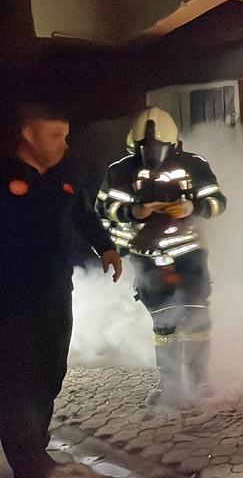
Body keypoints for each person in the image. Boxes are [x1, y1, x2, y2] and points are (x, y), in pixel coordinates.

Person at [0, 104, 122, 477]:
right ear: (28, 133)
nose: (64, 145)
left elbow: (83, 213)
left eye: (66, 136)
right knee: (16, 382)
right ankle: (31, 463)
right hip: (10, 302)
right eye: (56, 136)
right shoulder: (4, 177)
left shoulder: (63, 177)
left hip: (55, 295)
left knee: (49, 375)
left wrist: (106, 247)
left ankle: (34, 446)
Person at [98, 107, 226, 406]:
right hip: (145, 254)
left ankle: (199, 379)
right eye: (146, 148)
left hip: (188, 252)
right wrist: (134, 211)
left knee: (196, 314)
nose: (152, 153)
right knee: (163, 320)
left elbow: (218, 203)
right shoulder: (120, 171)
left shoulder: (194, 165)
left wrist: (192, 208)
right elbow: (104, 210)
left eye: (159, 147)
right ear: (136, 145)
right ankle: (169, 382)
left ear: (173, 143)